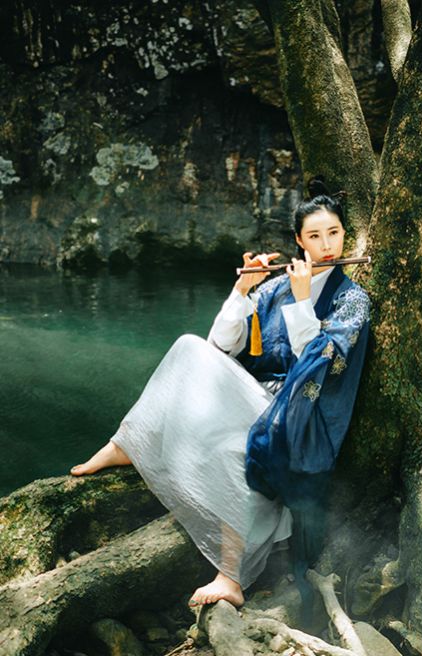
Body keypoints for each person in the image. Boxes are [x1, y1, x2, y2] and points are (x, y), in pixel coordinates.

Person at [70, 183, 371, 610]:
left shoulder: (352, 300)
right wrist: (243, 290)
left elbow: (318, 367)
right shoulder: (275, 289)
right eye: (315, 236)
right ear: (299, 242)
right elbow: (221, 348)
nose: (327, 246)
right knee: (190, 347)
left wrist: (305, 301)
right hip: (254, 399)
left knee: (237, 449)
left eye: (334, 233)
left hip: (303, 416)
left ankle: (230, 576)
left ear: (345, 235)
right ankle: (128, 443)